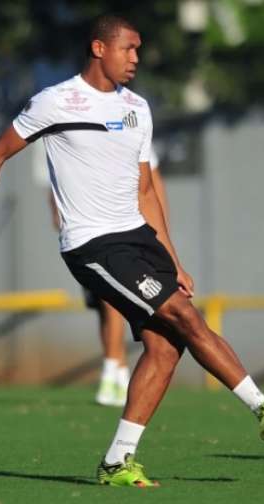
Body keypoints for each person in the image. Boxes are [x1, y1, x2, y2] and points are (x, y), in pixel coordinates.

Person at [0, 14, 264, 487]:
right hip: (91, 244)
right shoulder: (56, 101)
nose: (136, 59)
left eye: (139, 50)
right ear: (99, 48)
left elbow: (145, 190)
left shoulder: (137, 108)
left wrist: (173, 259)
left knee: (165, 348)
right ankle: (263, 407)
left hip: (137, 237)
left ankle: (117, 462)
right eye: (128, 49)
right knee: (185, 319)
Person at [45, 148, 169, 407]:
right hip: (89, 236)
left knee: (115, 304)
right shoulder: (79, 135)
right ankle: (116, 370)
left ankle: (115, 372)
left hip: (129, 236)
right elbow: (56, 180)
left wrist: (159, 236)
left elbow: (153, 188)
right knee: (104, 307)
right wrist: (58, 213)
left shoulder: (133, 130)